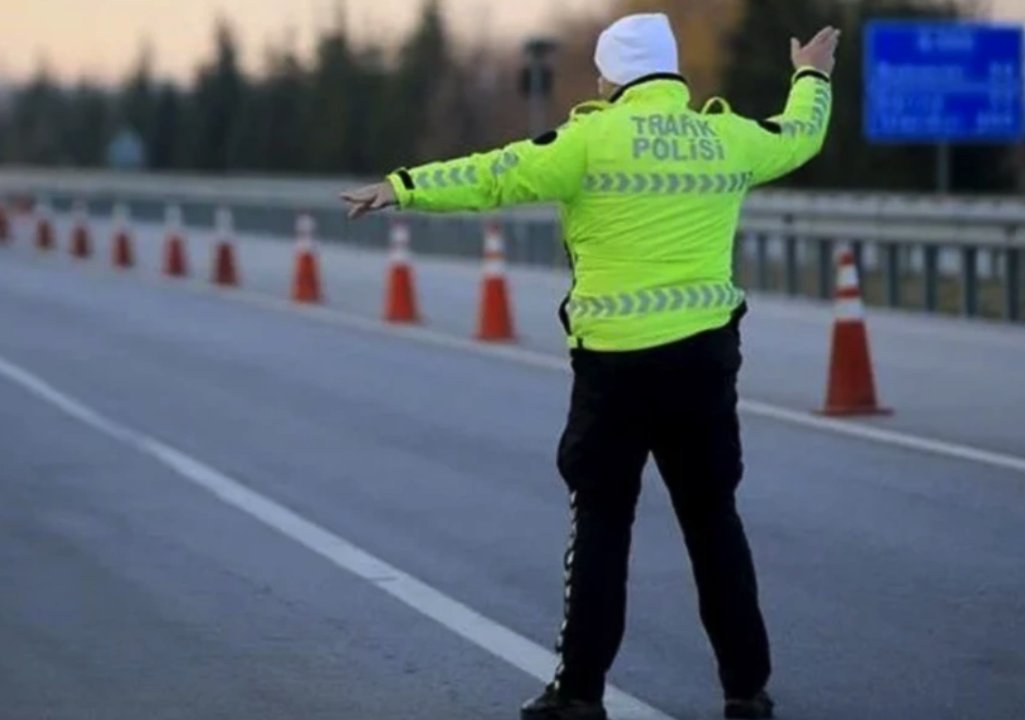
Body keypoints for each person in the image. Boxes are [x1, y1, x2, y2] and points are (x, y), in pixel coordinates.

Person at [341, 13, 838, 720]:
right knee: (712, 520)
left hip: (616, 371)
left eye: (602, 71)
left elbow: (495, 174)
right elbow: (800, 135)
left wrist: (404, 186)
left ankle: (579, 693)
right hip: (703, 363)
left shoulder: (588, 139)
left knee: (603, 523)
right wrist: (811, 75)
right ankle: (746, 688)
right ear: (669, 71)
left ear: (613, 76)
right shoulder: (724, 136)